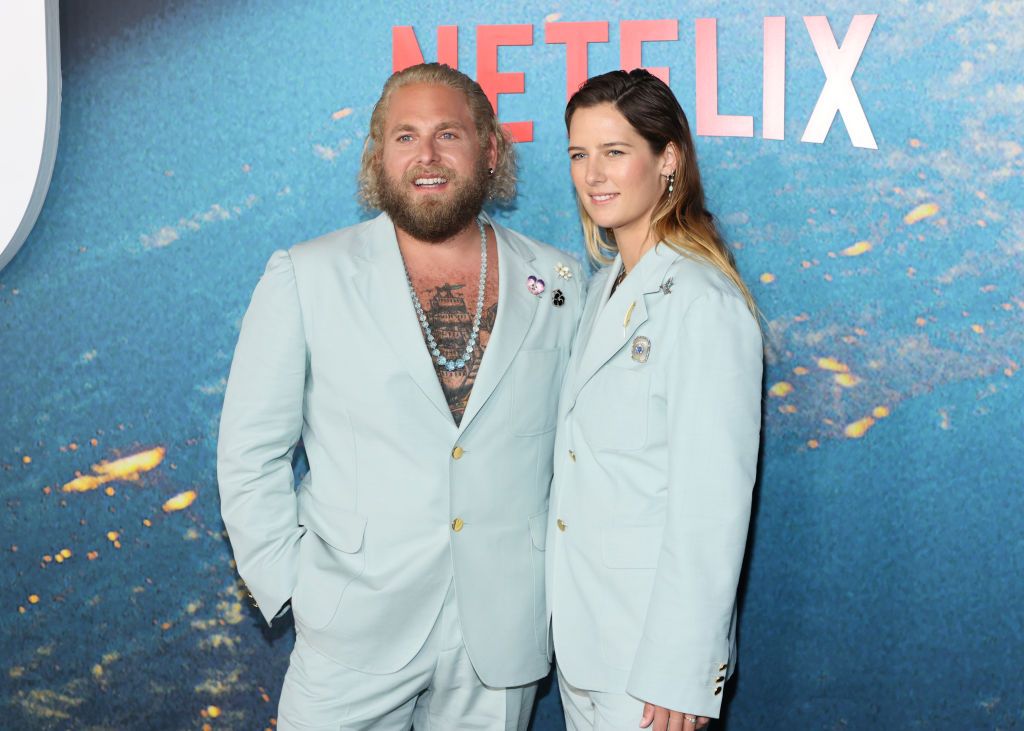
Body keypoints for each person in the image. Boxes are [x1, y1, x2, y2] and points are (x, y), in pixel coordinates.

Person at [217, 62, 584, 730]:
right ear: (377, 155)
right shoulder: (307, 275)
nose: (428, 155)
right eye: (405, 136)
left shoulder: (559, 280)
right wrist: (297, 587)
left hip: (499, 639)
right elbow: (249, 451)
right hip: (350, 637)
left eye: (449, 134)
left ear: (490, 149)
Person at [546, 69, 764, 731]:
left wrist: (682, 667)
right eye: (580, 155)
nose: (594, 175)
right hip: (585, 643)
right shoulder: (599, 288)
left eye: (615, 152)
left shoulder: (705, 302)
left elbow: (712, 505)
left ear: (667, 158)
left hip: (651, 669)